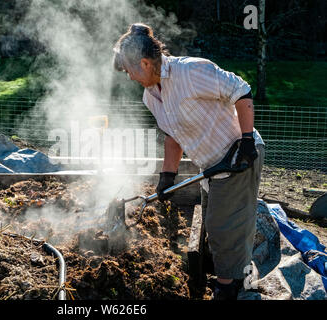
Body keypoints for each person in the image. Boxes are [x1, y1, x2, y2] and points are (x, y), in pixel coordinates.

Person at [113, 23, 265, 300]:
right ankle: (231, 274)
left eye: (129, 70)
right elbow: (173, 137)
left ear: (145, 63)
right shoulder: (151, 97)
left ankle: (227, 289)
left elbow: (241, 91)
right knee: (217, 222)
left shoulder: (191, 71)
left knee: (223, 227)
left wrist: (245, 140)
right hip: (212, 164)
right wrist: (167, 176)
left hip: (238, 156)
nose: (129, 77)